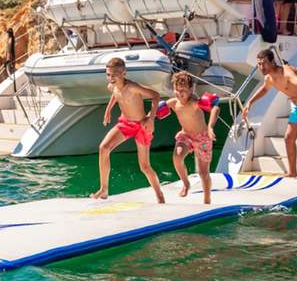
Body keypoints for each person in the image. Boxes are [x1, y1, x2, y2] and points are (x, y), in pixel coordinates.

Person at [242, 48, 297, 179]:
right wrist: (250, 103)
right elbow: (264, 90)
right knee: (288, 138)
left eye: (264, 63)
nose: (261, 67)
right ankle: (292, 172)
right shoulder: (269, 78)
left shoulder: (287, 71)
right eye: (259, 64)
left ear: (272, 62)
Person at [93, 57, 165, 202]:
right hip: (126, 123)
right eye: (108, 75)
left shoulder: (132, 87)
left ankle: (160, 196)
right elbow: (115, 95)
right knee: (104, 148)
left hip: (142, 125)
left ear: (124, 73)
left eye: (114, 75)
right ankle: (104, 189)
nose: (111, 78)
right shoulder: (112, 86)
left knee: (145, 166)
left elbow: (155, 96)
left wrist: (151, 119)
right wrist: (108, 110)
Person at [164, 72, 219, 203]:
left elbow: (215, 109)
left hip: (202, 138)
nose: (179, 93)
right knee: (177, 157)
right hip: (186, 136)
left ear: (190, 89)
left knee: (203, 173)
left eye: (183, 90)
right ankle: (186, 183)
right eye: (177, 90)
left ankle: (207, 199)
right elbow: (157, 109)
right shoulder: (174, 103)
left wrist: (210, 127)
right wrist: (148, 119)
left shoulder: (195, 103)